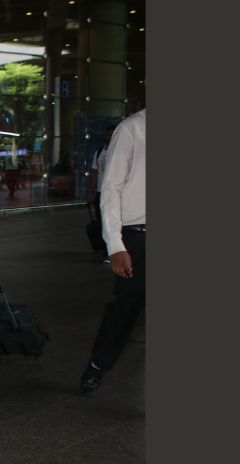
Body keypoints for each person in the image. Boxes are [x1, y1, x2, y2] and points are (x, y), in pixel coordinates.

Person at [81, 109, 146, 395]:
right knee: (126, 307)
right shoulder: (132, 129)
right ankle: (98, 364)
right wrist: (116, 244)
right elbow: (110, 188)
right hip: (138, 235)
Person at [87, 125, 117, 262]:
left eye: (112, 135)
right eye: (108, 134)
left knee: (112, 222)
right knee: (101, 222)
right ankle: (105, 249)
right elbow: (95, 173)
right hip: (100, 192)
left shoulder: (120, 152)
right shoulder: (99, 152)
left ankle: (112, 251)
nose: (109, 137)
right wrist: (91, 192)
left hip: (115, 193)